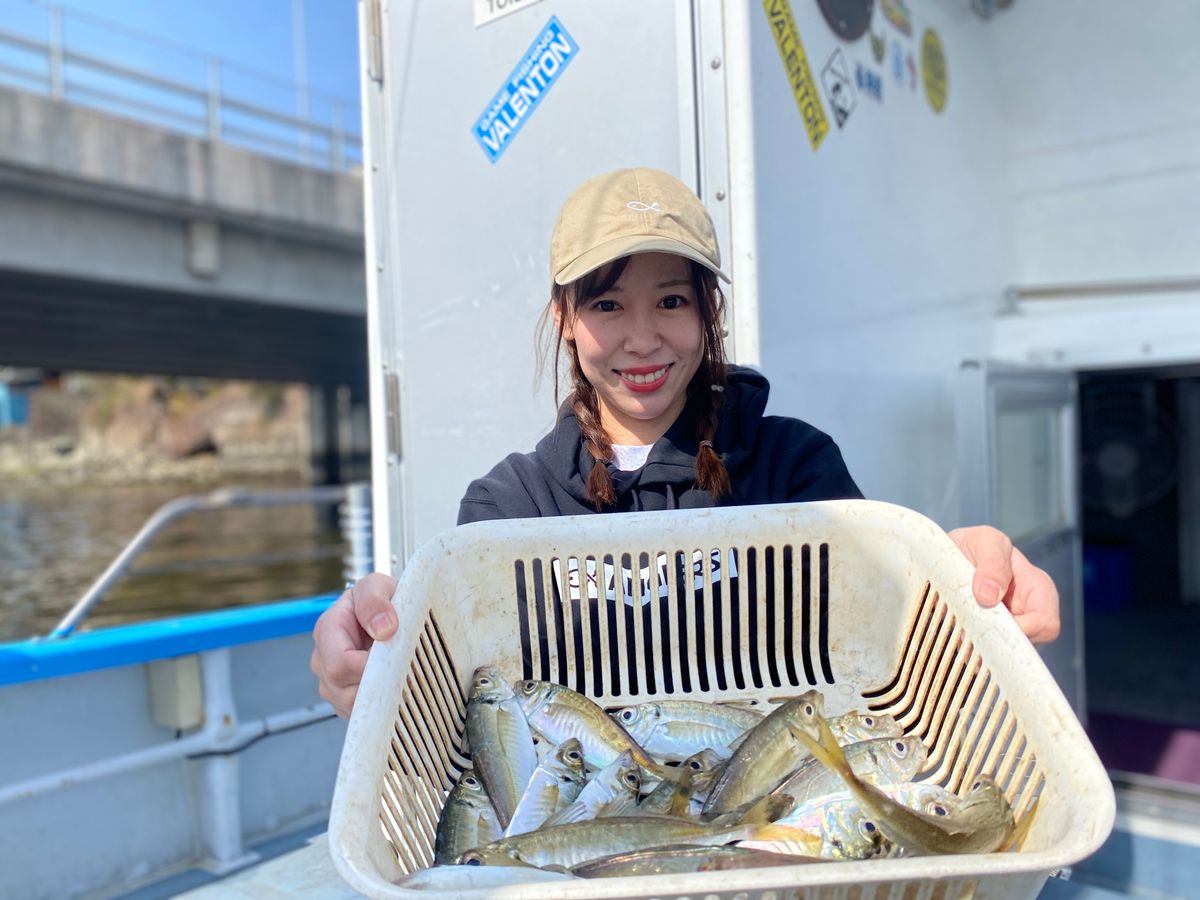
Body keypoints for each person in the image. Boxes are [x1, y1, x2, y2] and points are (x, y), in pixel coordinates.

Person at [311, 167, 1060, 718]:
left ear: (710, 311)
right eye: (607, 303)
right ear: (566, 318)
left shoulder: (793, 467)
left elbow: (887, 636)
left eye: (671, 300)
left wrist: (964, 592)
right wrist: (376, 671)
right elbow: (467, 707)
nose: (642, 339)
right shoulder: (509, 505)